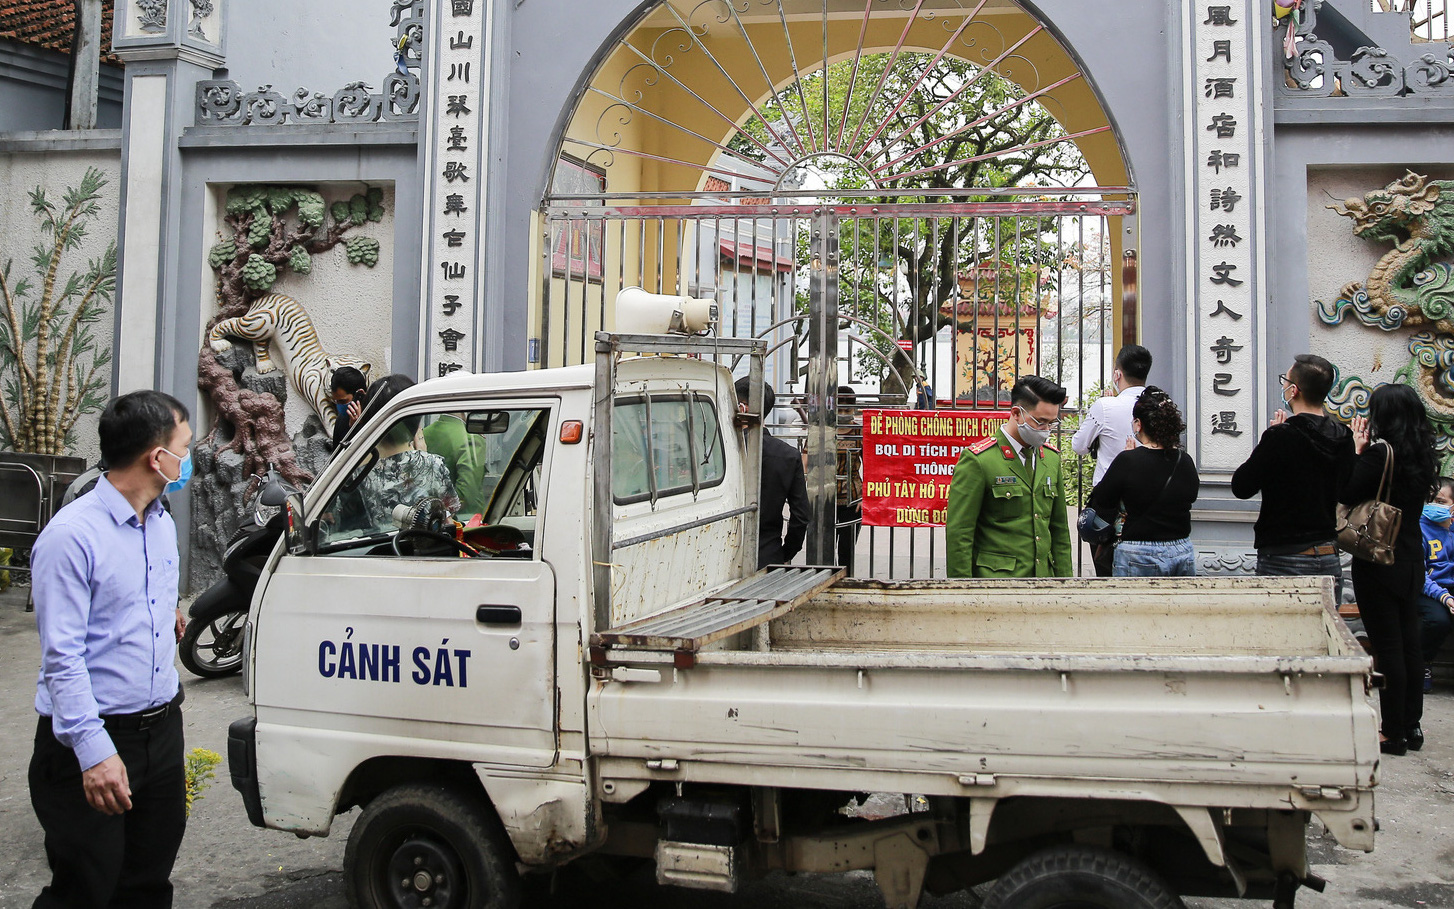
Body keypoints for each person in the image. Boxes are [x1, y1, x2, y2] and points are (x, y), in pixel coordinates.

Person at [29, 390, 192, 907]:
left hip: (161, 731)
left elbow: (142, 601)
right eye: (184, 447)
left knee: (147, 884)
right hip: (92, 740)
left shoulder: (160, 521)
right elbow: (62, 657)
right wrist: (94, 754)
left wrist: (162, 621)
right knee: (85, 890)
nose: (188, 460)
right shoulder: (71, 538)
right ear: (155, 456)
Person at [1342, 383, 1437, 755]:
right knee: (1410, 643)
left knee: (1388, 646)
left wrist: (1355, 451)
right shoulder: (1425, 454)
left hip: (1380, 557)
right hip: (1412, 557)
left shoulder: (1382, 453)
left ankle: (1391, 731)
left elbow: (1348, 490)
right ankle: (1412, 727)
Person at [1231, 354, 1356, 601]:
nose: (1283, 386)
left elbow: (1242, 486)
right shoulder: (1344, 437)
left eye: (1285, 382)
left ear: (1294, 390)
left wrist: (1268, 441)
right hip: (1329, 553)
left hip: (1284, 555)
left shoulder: (1282, 436)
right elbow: (1345, 491)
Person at [946, 375, 1073, 578]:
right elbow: (960, 534)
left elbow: (1059, 531)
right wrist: (962, 591)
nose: (1046, 430)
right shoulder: (980, 461)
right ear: (1016, 413)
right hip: (997, 583)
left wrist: (1066, 583)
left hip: (1043, 581)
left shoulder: (1050, 458)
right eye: (1040, 422)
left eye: (1052, 423)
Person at [1084, 387, 1200, 577]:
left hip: (1138, 551)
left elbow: (1102, 499)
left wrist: (1127, 457)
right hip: (1181, 548)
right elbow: (1191, 495)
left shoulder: (1128, 461)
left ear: (1138, 424)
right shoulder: (1184, 460)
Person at [1071, 344, 1152, 576]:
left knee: (1107, 566)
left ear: (1117, 374)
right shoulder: (1157, 405)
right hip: (1149, 497)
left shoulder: (1106, 406)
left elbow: (1078, 446)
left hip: (1109, 502)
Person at [736, 376, 809, 569]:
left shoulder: (722, 451)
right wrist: (786, 553)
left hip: (722, 554)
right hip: (768, 554)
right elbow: (801, 516)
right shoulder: (789, 456)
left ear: (741, 407)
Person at [1417, 477, 1454, 693]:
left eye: (1440, 502)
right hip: (1428, 590)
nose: (1433, 505)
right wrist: (1446, 598)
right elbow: (1420, 577)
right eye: (1430, 500)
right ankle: (1423, 663)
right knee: (1438, 621)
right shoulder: (1418, 529)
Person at [835, 386, 863, 573]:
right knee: (823, 553)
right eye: (839, 409)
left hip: (853, 500)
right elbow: (807, 461)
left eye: (847, 410)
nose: (843, 414)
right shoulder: (824, 430)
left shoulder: (860, 433)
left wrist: (866, 496)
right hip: (825, 499)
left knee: (846, 552)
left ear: (854, 410)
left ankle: (845, 584)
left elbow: (873, 463)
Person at [329, 365, 369, 449]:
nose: (339, 406)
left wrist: (356, 427)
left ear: (359, 395)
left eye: (343, 401)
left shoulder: (374, 417)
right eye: (336, 401)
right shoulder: (341, 420)